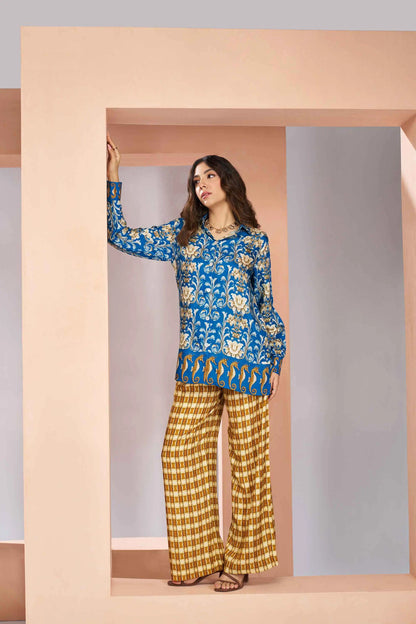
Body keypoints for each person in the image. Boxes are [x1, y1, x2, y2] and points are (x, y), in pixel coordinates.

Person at [106, 132, 286, 592]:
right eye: (195, 179)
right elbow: (120, 236)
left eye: (208, 175)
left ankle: (240, 561)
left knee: (248, 465)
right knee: (178, 454)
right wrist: (113, 178)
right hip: (197, 366)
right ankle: (199, 558)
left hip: (248, 364)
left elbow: (265, 305)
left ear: (228, 181)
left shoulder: (254, 241)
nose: (201, 184)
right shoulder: (182, 235)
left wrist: (274, 360)